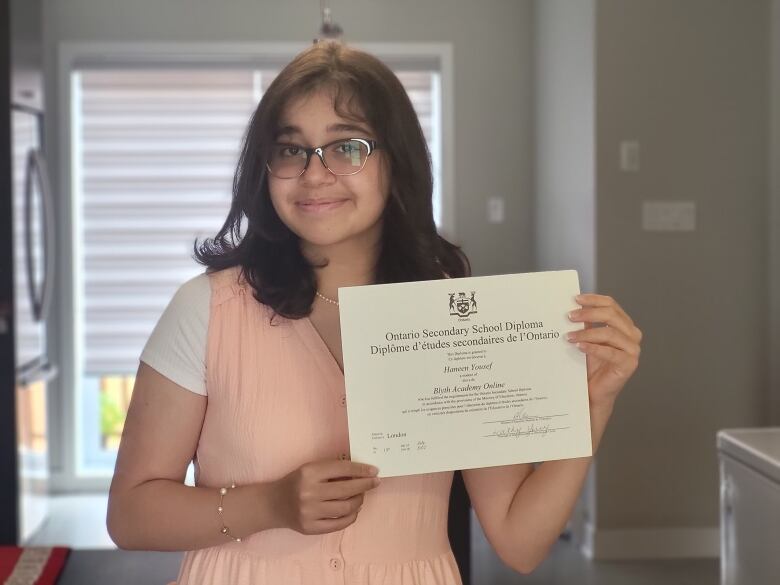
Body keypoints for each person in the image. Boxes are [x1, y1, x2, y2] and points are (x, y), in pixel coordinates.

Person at [106, 41, 642, 585]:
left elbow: (519, 542)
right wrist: (267, 506)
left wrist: (593, 404)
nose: (314, 175)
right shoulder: (207, 309)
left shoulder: (454, 318)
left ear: (397, 163)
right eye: (291, 150)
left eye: (348, 148)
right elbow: (129, 515)